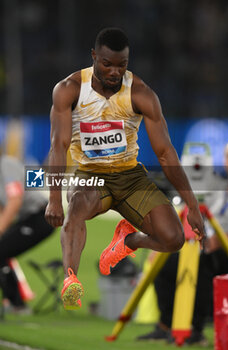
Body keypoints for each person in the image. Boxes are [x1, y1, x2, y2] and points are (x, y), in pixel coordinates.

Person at [45, 27, 205, 310]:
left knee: (173, 239)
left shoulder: (141, 94)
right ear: (94, 57)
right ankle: (71, 279)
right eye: (107, 64)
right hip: (90, 176)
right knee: (77, 208)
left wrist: (192, 205)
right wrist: (54, 199)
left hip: (130, 177)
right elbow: (59, 146)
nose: (115, 72)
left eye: (122, 65)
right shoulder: (69, 89)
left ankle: (128, 241)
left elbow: (166, 154)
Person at [136, 140, 228, 346]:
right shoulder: (218, 189)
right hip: (205, 244)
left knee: (201, 265)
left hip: (224, 250)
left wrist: (219, 240)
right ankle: (165, 325)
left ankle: (195, 330)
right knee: (165, 264)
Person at [0, 154, 55, 312]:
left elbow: (15, 200)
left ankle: (17, 304)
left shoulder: (7, 164)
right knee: (3, 251)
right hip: (27, 218)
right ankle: (13, 301)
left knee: (2, 251)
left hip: (40, 217)